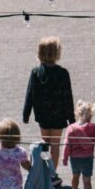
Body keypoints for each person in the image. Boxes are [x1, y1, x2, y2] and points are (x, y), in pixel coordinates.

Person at [23, 36, 75, 181]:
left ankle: (45, 171)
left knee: (45, 144)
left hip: (42, 114)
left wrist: (26, 114)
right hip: (59, 115)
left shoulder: (36, 72)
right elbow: (67, 96)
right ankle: (52, 174)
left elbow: (30, 94)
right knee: (55, 146)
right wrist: (71, 119)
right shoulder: (63, 73)